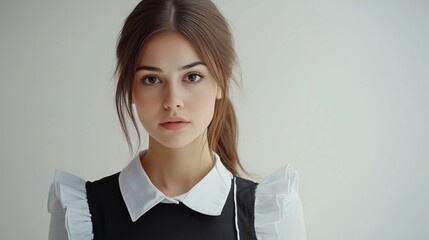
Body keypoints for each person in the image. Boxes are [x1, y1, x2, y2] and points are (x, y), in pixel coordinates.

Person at [47, 0, 307, 239]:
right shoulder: (81, 215)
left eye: (192, 76)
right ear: (129, 88)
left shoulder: (272, 215)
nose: (173, 100)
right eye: (152, 79)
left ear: (221, 82)